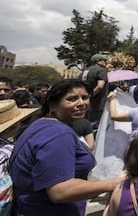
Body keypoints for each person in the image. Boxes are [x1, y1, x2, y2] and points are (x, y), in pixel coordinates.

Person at [9, 79, 123, 215]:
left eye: (85, 97)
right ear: (52, 105)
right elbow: (60, 191)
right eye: (72, 99)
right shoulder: (58, 134)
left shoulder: (42, 125)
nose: (81, 103)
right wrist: (115, 183)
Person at [82, 53, 109, 128]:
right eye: (104, 60)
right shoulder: (101, 70)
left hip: (85, 105)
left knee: (84, 127)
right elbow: (100, 86)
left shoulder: (86, 71)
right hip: (97, 105)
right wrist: (90, 96)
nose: (106, 62)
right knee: (94, 128)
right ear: (98, 61)